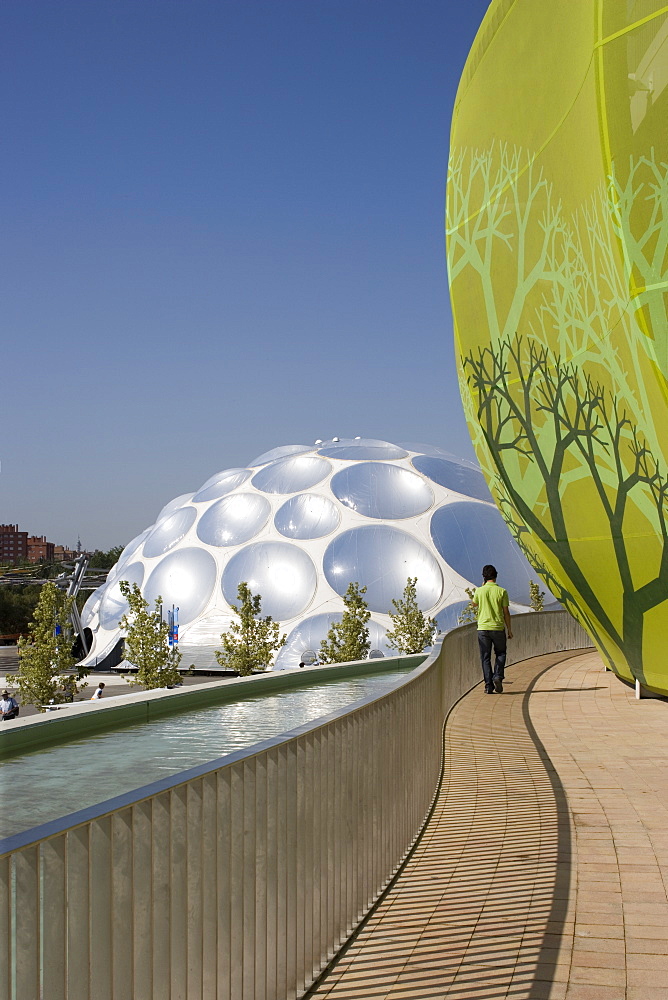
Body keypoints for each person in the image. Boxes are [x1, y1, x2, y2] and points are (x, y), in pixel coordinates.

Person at [472, 564, 513, 694]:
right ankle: (498, 676)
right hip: (498, 627)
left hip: (483, 628)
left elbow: (474, 604)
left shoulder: (479, 591)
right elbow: (506, 612)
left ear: (484, 577)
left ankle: (488, 686)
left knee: (485, 657)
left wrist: (482, 587)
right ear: (496, 576)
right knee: (501, 653)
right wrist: (509, 629)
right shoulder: (502, 591)